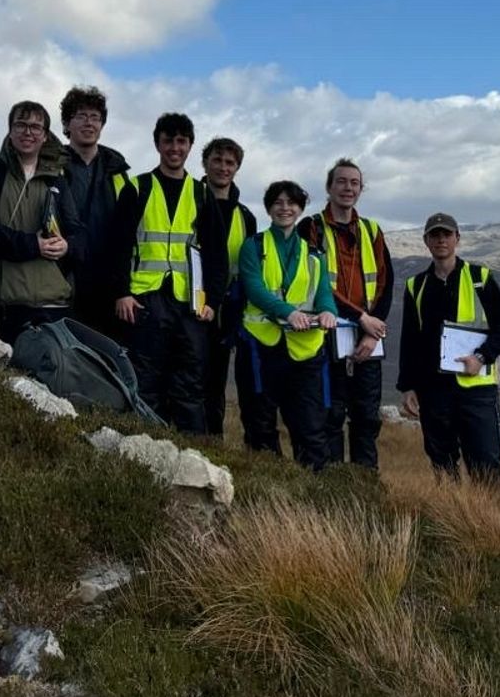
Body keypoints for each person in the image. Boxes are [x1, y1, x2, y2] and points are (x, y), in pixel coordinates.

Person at [108, 112, 230, 433]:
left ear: (190, 146)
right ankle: (147, 452)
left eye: (181, 141)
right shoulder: (138, 188)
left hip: (190, 305)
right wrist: (122, 292)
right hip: (145, 300)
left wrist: (212, 302)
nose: (174, 148)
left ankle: (192, 454)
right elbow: (118, 245)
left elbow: (217, 257)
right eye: (168, 141)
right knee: (146, 381)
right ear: (157, 144)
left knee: (190, 384)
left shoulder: (201, 194)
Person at [398, 213, 500, 484]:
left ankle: (488, 525)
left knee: (486, 466)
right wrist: (407, 386)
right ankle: (450, 521)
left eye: (447, 234)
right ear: (426, 241)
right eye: (435, 235)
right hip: (433, 391)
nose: (441, 239)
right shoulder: (416, 286)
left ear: (457, 239)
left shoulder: (480, 278)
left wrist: (481, 357)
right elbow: (410, 340)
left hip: (477, 390)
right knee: (443, 467)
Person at [298, 158, 394, 470]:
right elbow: (315, 283)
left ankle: (366, 484)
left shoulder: (372, 230)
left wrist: (370, 329)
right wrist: (360, 317)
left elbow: (384, 282)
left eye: (354, 183)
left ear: (361, 189)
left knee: (366, 417)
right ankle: (332, 482)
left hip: (367, 338)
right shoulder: (310, 228)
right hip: (325, 335)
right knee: (330, 414)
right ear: (329, 187)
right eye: (341, 181)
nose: (347, 188)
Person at [237, 180, 336, 469]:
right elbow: (254, 288)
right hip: (262, 348)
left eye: (291, 203)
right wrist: (287, 312)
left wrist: (328, 312)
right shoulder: (253, 247)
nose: (285, 208)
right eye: (278, 203)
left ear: (300, 208)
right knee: (260, 425)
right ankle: (268, 489)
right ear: (268, 208)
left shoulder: (314, 255)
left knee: (310, 427)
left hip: (304, 353)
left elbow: (324, 294)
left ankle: (313, 493)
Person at [0, 99, 83, 342]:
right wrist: (33, 245)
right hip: (4, 304)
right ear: (10, 131)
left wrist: (67, 246)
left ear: (45, 136)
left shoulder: (58, 179)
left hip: (54, 305)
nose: (28, 132)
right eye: (21, 125)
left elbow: (78, 234)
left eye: (36, 127)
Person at [199, 137, 259, 443]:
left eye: (230, 162)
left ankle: (214, 441)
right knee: (187, 378)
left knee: (216, 382)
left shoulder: (246, 217)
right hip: (191, 306)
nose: (223, 167)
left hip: (226, 315)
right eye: (217, 160)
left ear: (237, 169)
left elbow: (248, 270)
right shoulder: (191, 201)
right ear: (205, 163)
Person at [59, 85, 132, 337]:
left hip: (107, 279)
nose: (89, 123)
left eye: (95, 117)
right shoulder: (50, 165)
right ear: (67, 123)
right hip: (64, 275)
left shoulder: (118, 171)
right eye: (81, 116)